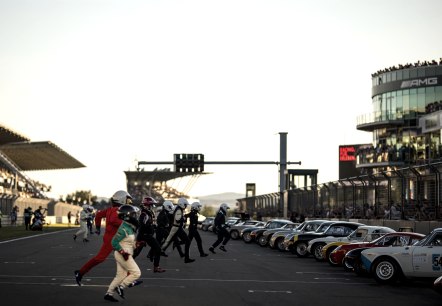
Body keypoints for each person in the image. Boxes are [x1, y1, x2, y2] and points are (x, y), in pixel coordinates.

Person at [74, 190, 133, 286]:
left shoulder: (111, 209)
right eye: (127, 200)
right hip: (112, 239)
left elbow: (98, 215)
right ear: (122, 199)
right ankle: (80, 273)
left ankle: (129, 278)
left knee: (125, 257)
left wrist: (98, 227)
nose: (128, 202)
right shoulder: (116, 210)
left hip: (113, 238)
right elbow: (114, 220)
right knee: (100, 258)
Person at [104, 204, 142, 302]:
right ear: (126, 215)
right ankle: (121, 287)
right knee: (136, 273)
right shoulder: (124, 228)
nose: (135, 216)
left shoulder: (129, 226)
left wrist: (136, 244)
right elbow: (114, 242)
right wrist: (123, 252)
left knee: (120, 275)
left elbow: (127, 242)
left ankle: (109, 293)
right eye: (133, 214)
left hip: (126, 252)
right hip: (123, 254)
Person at [133, 196, 165, 273]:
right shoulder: (144, 214)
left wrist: (153, 227)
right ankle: (125, 264)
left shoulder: (147, 213)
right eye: (151, 205)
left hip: (147, 235)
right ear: (147, 205)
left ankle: (156, 267)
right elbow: (141, 224)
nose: (152, 207)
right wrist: (150, 226)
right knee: (136, 253)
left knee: (157, 248)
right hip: (144, 235)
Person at [161, 197, 195, 263]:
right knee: (186, 241)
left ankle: (157, 251)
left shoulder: (178, 209)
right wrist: (183, 219)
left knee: (168, 241)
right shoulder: (179, 210)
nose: (185, 206)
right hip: (177, 228)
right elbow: (177, 220)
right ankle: (186, 258)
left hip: (176, 228)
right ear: (182, 204)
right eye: (185, 205)